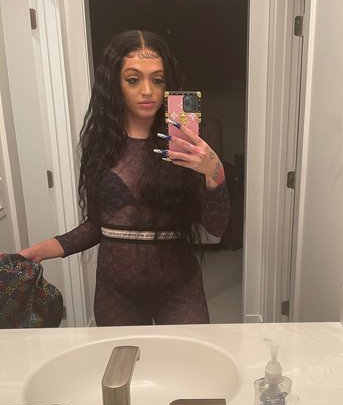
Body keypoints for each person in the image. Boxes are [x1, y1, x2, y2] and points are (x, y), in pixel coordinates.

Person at [19, 30, 230, 325]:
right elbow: (96, 226)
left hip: (180, 285)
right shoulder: (99, 142)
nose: (147, 90)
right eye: (133, 79)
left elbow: (216, 227)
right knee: (124, 357)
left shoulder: (188, 143)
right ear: (115, 84)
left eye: (158, 79)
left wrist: (214, 171)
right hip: (116, 290)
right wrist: (40, 250)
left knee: (189, 354)